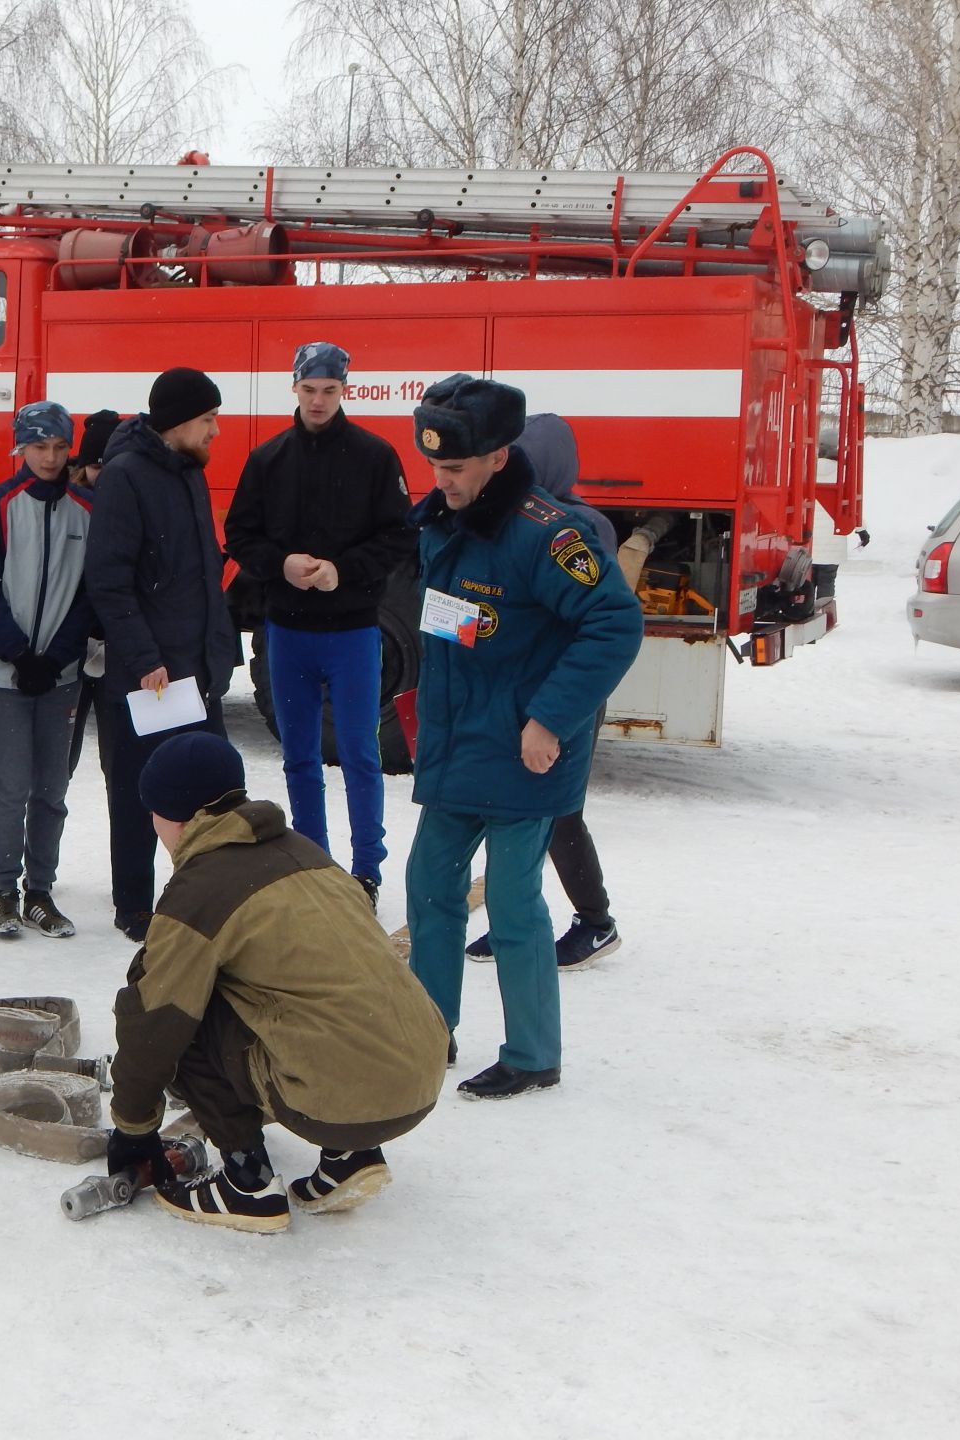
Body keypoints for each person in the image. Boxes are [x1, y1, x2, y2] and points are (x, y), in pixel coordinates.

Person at [402, 376, 642, 1101]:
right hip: (460, 743)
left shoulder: (548, 534)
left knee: (511, 904)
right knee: (428, 888)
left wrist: (548, 719)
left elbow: (615, 624)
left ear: (498, 458)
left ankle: (534, 1053)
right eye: (436, 467)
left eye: (455, 469)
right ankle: (425, 1029)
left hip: (524, 750)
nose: (441, 481)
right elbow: (461, 618)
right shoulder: (444, 520)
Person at [105, 732, 449, 1233]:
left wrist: (133, 1127)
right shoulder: (306, 854)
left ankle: (247, 1183)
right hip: (418, 1076)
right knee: (305, 990)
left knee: (186, 1010)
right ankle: (350, 1155)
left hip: (341, 1093)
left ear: (172, 815)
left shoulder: (201, 889)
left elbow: (153, 1019)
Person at [225, 341, 416, 908]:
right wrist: (279, 565)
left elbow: (399, 536)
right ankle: (312, 859)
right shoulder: (268, 460)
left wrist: (344, 571)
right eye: (309, 390)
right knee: (300, 754)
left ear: (345, 390)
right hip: (288, 630)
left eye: (329, 390)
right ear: (295, 388)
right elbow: (240, 534)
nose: (318, 401)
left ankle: (366, 869)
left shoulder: (376, 457)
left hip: (355, 631)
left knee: (360, 752)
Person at [464, 413, 627, 970]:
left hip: (564, 695)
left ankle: (597, 923)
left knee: (557, 810)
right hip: (516, 689)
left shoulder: (581, 528)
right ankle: (515, 917)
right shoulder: (513, 521)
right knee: (517, 805)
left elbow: (595, 625)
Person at [83, 369, 237, 942]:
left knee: (212, 786)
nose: (215, 431)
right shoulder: (125, 477)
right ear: (177, 423)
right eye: (208, 420)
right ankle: (134, 904)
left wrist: (218, 655)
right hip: (151, 674)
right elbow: (109, 579)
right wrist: (146, 657)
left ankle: (202, 895)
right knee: (140, 787)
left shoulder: (189, 473)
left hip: (196, 668)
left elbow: (203, 572)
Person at [0, 400, 94, 937]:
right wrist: (18, 653)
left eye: (60, 446)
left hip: (60, 676)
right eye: (39, 446)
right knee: (9, 786)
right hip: (6, 673)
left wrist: (58, 656)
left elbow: (91, 592)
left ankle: (40, 889)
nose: (50, 456)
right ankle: (4, 889)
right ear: (20, 447)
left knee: (51, 788)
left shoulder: (86, 509)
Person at [65, 408, 119, 779]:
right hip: (72, 647)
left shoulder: (128, 508)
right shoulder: (67, 509)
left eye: (111, 466)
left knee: (119, 764)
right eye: (97, 466)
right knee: (59, 760)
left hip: (117, 648)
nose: (103, 476)